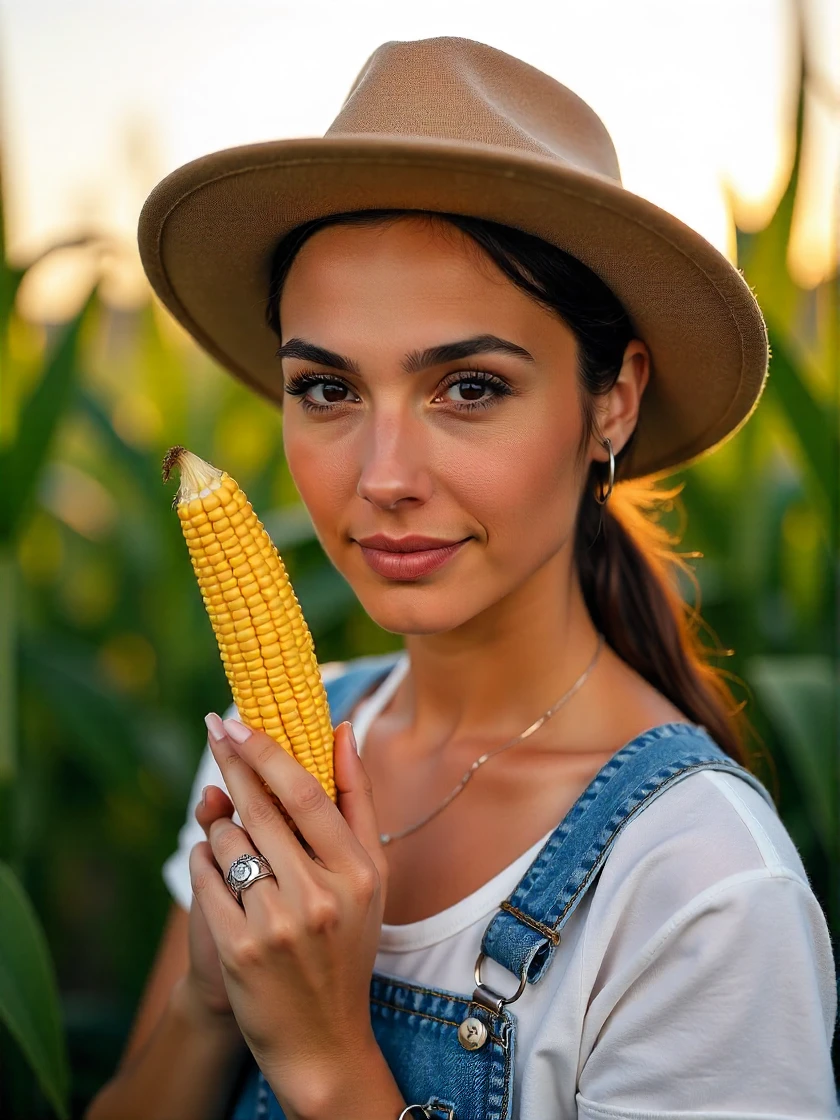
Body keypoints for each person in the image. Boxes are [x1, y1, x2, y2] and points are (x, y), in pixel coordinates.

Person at [86, 35, 838, 1120]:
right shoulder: (269, 759)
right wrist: (212, 999)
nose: (382, 477)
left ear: (612, 401)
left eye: (470, 386)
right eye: (328, 389)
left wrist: (330, 1059)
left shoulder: (702, 888)